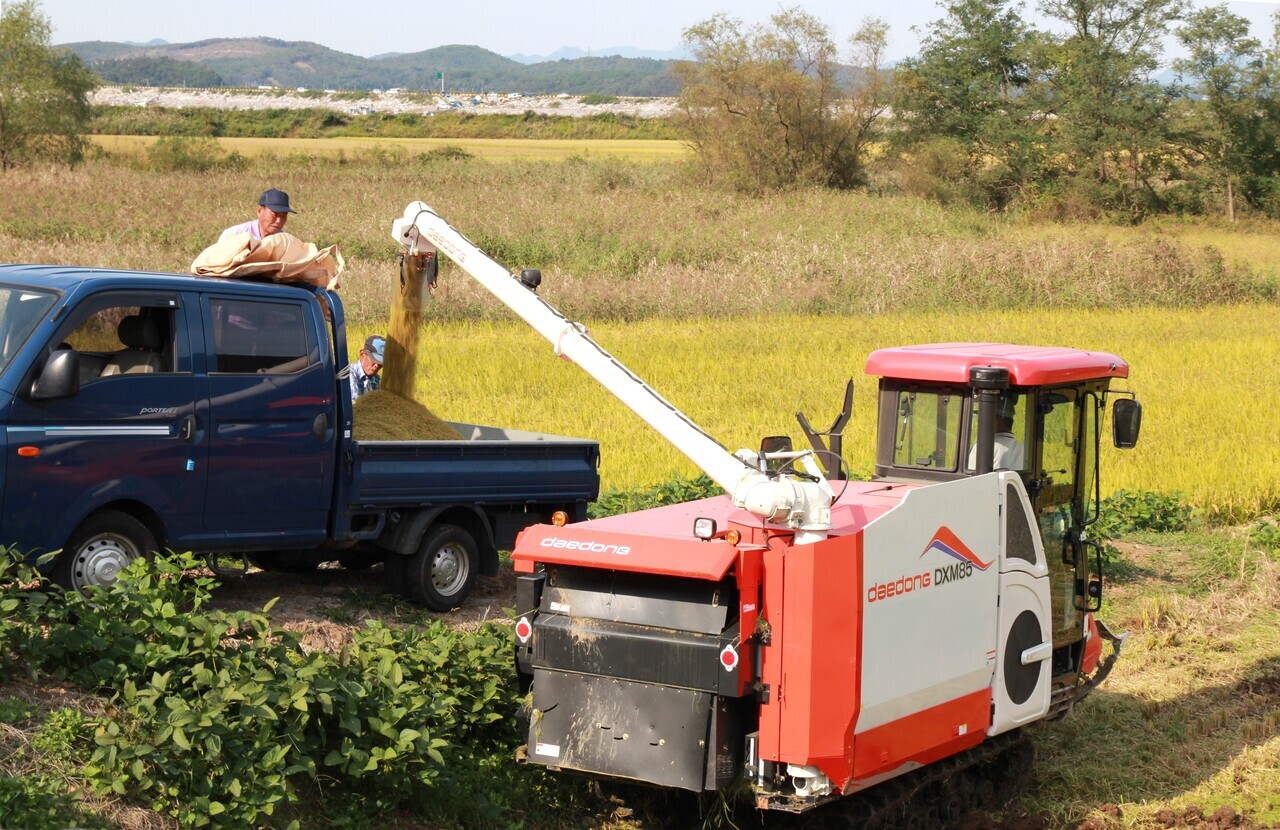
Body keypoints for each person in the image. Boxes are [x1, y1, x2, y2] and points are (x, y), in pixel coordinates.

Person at [218, 189, 296, 243]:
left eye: (283, 216)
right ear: (259, 211)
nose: (279, 221)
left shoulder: (285, 242)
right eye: (275, 214)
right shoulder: (234, 235)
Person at [968, 398, 1025, 472]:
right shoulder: (1022, 448)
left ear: (998, 422)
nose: (979, 422)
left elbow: (969, 478)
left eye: (984, 418)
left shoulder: (982, 447)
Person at [349, 334, 385, 401]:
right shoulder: (349, 375)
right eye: (374, 360)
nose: (377, 366)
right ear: (362, 355)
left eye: (380, 363)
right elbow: (355, 407)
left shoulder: (376, 379)